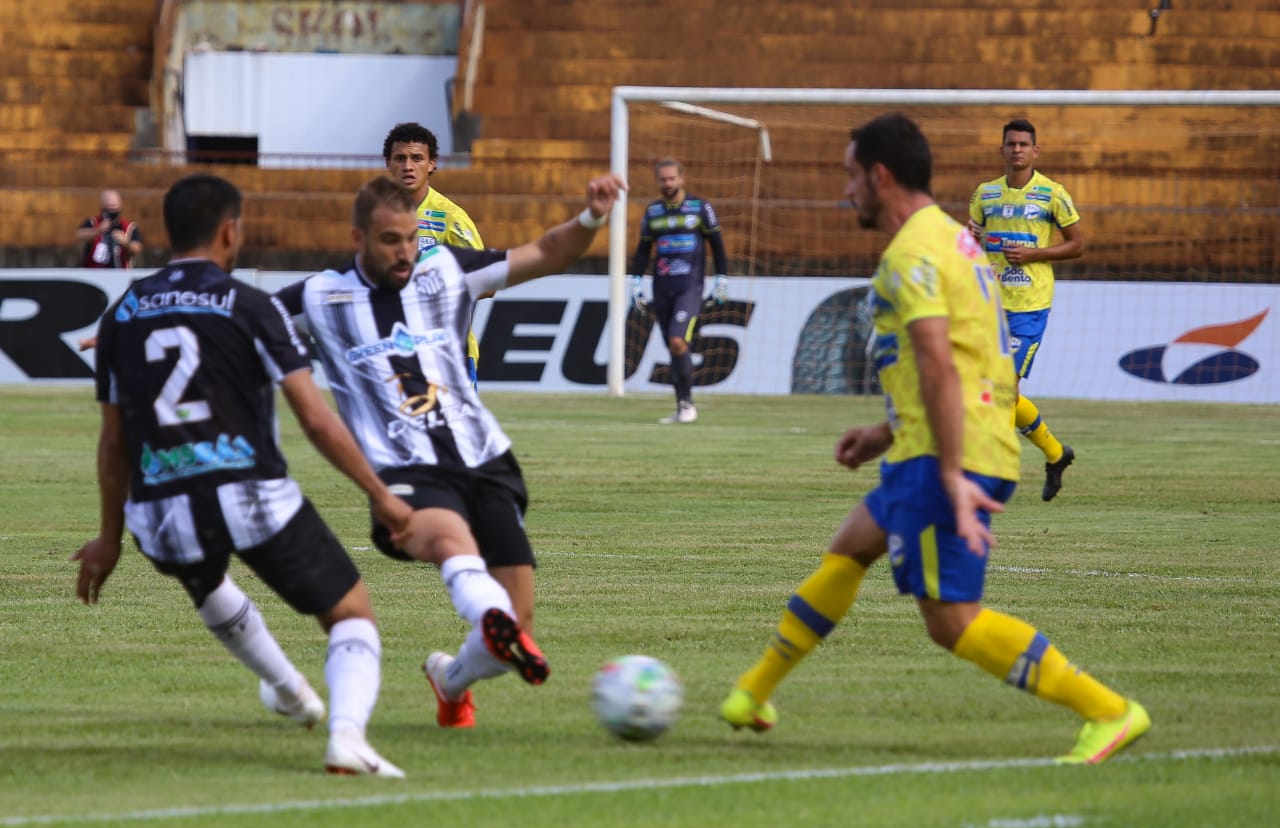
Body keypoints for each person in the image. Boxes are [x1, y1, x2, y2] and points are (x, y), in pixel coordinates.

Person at [720, 114, 1149, 765]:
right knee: (849, 549)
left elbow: (941, 365)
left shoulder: (911, 257)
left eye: (849, 176)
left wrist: (949, 472)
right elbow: (964, 357)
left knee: (951, 621)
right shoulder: (955, 239)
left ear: (880, 176)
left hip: (952, 454)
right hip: (940, 442)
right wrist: (883, 431)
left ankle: (1109, 710)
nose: (845, 191)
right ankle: (752, 692)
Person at [72, 174, 414, 778]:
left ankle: (287, 689)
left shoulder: (122, 313)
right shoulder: (250, 303)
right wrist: (380, 495)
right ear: (230, 231)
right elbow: (314, 417)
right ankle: (347, 736)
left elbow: (113, 444)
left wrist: (107, 539)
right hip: (250, 493)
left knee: (204, 580)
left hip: (161, 514)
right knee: (351, 613)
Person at [276, 171, 627, 730]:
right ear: (358, 238)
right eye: (391, 240)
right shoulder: (320, 296)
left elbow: (549, 252)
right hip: (403, 466)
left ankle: (451, 678)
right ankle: (488, 613)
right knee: (447, 540)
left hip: (483, 455)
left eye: (412, 238)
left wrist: (591, 217)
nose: (405, 252)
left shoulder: (446, 270)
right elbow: (230, 323)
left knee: (522, 622)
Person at [968, 119, 1084, 501]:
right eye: (1011, 144)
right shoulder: (984, 195)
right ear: (1002, 149)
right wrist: (967, 240)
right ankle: (1055, 453)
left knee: (1003, 389)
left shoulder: (1053, 194)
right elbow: (970, 243)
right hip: (989, 306)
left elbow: (1077, 244)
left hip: (1029, 308)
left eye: (1023, 144)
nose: (1017, 149)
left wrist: (1034, 254)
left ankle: (989, 475)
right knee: (995, 391)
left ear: (1036, 151)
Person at [383, 122, 486, 388]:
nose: (408, 166)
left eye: (417, 158)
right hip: (392, 351)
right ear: (388, 163)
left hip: (448, 355)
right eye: (400, 158)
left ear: (431, 164)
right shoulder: (376, 218)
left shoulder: (450, 217)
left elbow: (487, 282)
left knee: (455, 431)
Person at [628, 157, 729, 424]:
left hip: (690, 288)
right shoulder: (652, 212)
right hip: (661, 289)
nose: (668, 183)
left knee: (677, 341)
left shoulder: (700, 207)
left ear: (682, 179)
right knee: (675, 348)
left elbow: (717, 245)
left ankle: (687, 405)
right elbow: (642, 250)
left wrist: (721, 279)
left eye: (672, 178)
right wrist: (635, 282)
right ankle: (682, 405)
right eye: (663, 179)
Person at [76, 189, 143, 269]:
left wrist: (126, 243)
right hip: (94, 273)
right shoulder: (93, 222)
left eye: (113, 207)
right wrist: (98, 230)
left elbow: (137, 248)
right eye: (107, 207)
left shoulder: (129, 227)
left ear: (119, 206)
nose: (110, 211)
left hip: (120, 274)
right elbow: (79, 234)